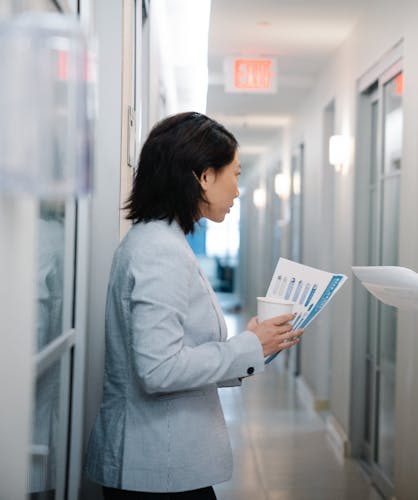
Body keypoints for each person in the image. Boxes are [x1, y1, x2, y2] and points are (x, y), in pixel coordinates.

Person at [85, 112, 301, 500]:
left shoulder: (160, 240)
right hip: (156, 467)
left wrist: (253, 343)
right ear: (203, 176)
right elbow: (159, 369)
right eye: (234, 174)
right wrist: (249, 348)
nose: (238, 190)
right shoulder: (159, 251)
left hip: (161, 464)